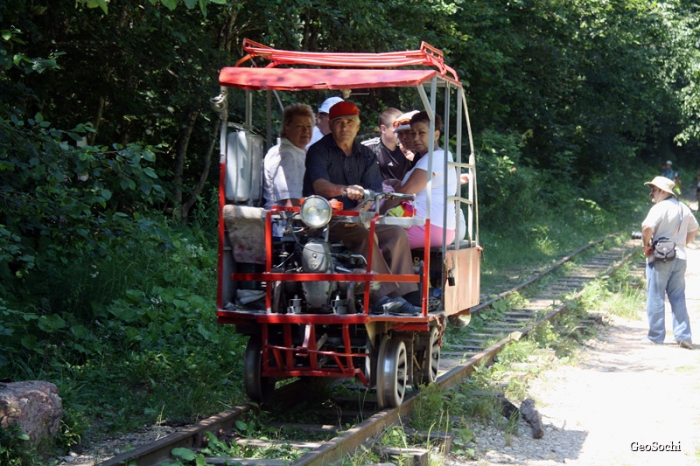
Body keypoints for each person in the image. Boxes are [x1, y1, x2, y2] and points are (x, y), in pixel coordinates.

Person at [303, 101, 421, 315]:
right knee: (364, 234)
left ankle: (405, 294)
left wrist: (363, 207)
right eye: (339, 123)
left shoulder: (366, 155)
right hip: (326, 221)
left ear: (358, 126)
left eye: (350, 122)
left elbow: (374, 191)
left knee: (395, 232)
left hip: (358, 217)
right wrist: (345, 190)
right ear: (331, 124)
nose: (344, 127)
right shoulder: (318, 151)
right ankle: (379, 298)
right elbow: (319, 185)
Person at [641, 175, 698, 349]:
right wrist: (681, 244)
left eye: (653, 189)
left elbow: (647, 228)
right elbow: (694, 228)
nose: (651, 193)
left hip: (660, 257)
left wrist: (646, 246)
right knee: (677, 296)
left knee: (656, 296)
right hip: (680, 257)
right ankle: (683, 336)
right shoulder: (683, 208)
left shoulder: (660, 208)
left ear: (662, 191)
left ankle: (655, 336)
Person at [392, 111, 459, 249]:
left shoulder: (435, 157)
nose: (415, 138)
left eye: (421, 133)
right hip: (433, 225)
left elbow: (404, 193)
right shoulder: (430, 158)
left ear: (436, 135)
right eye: (412, 133)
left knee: (375, 238)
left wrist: (392, 188)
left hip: (428, 226)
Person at [263, 103, 314, 235]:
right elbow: (290, 203)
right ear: (287, 128)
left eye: (309, 126)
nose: (306, 131)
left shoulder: (299, 152)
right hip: (285, 227)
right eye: (299, 126)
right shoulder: (286, 155)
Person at [361, 107, 409, 180]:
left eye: (402, 127)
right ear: (383, 129)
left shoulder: (409, 149)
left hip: (400, 190)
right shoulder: (367, 148)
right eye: (396, 127)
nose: (400, 131)